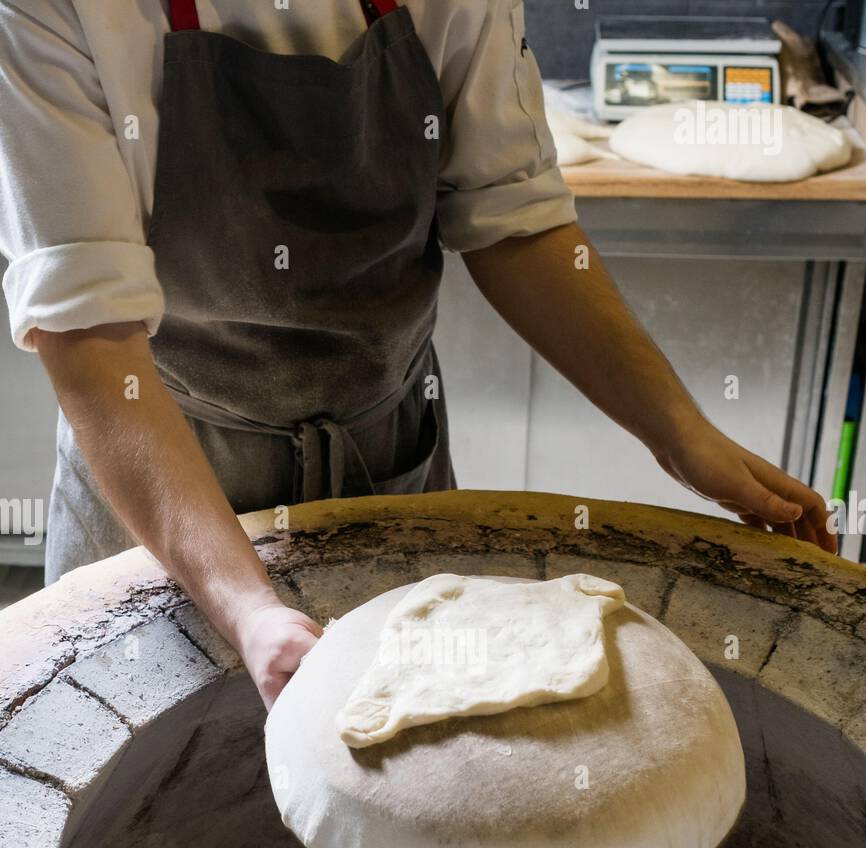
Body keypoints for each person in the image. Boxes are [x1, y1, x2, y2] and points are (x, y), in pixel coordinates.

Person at [0, 0, 834, 708]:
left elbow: (517, 220)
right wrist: (248, 606)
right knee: (149, 807)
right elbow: (90, 336)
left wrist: (683, 438)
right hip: (162, 476)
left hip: (388, 456)